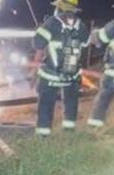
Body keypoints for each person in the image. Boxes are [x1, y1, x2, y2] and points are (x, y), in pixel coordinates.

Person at [33, 0, 89, 136]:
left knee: (46, 103)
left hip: (50, 75)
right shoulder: (81, 26)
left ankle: (43, 134)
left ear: (58, 7)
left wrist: (34, 72)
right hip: (72, 75)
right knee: (71, 103)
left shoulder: (51, 23)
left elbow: (39, 48)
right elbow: (86, 44)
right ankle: (69, 130)